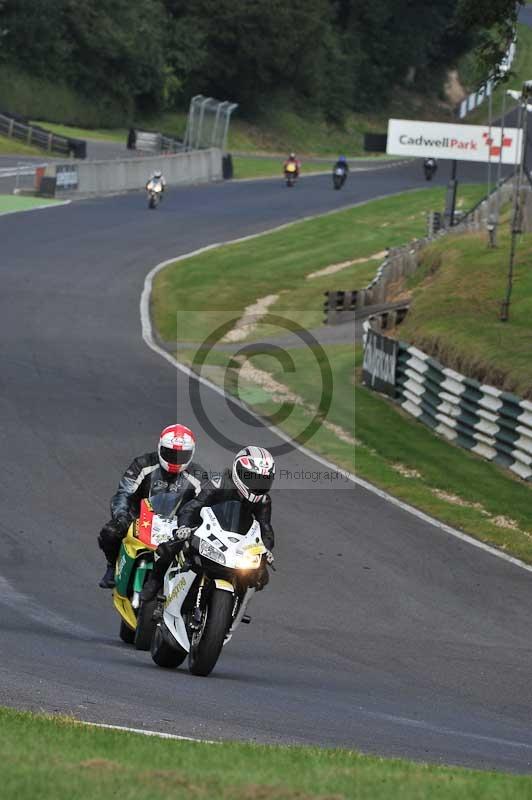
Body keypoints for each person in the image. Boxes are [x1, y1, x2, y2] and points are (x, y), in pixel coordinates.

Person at [140, 446, 276, 602]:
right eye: (253, 479)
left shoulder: (263, 500)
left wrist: (266, 548)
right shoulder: (219, 483)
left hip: (237, 544)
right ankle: (155, 581)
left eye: (263, 481)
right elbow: (193, 507)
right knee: (169, 547)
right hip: (206, 531)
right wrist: (184, 527)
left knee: (260, 576)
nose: (258, 485)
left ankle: (237, 604)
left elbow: (265, 528)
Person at [98, 424, 205, 588]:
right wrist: (121, 515)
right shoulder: (142, 464)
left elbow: (206, 505)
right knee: (110, 532)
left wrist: (193, 527)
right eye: (170, 453)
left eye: (182, 456)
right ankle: (112, 566)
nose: (175, 460)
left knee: (199, 555)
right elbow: (124, 492)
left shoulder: (199, 476)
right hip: (139, 518)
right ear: (160, 447)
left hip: (177, 527)